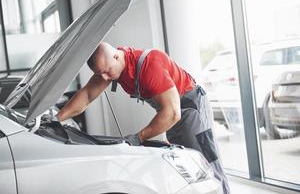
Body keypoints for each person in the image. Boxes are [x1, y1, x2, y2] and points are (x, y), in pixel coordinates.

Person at [56, 42, 230, 194]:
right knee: (187, 169)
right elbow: (86, 95)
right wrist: (58, 118)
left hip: (190, 108)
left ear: (116, 56)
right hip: (172, 110)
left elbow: (173, 113)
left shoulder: (149, 66)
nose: (105, 78)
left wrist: (138, 137)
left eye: (107, 72)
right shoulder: (111, 67)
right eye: (100, 74)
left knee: (208, 168)